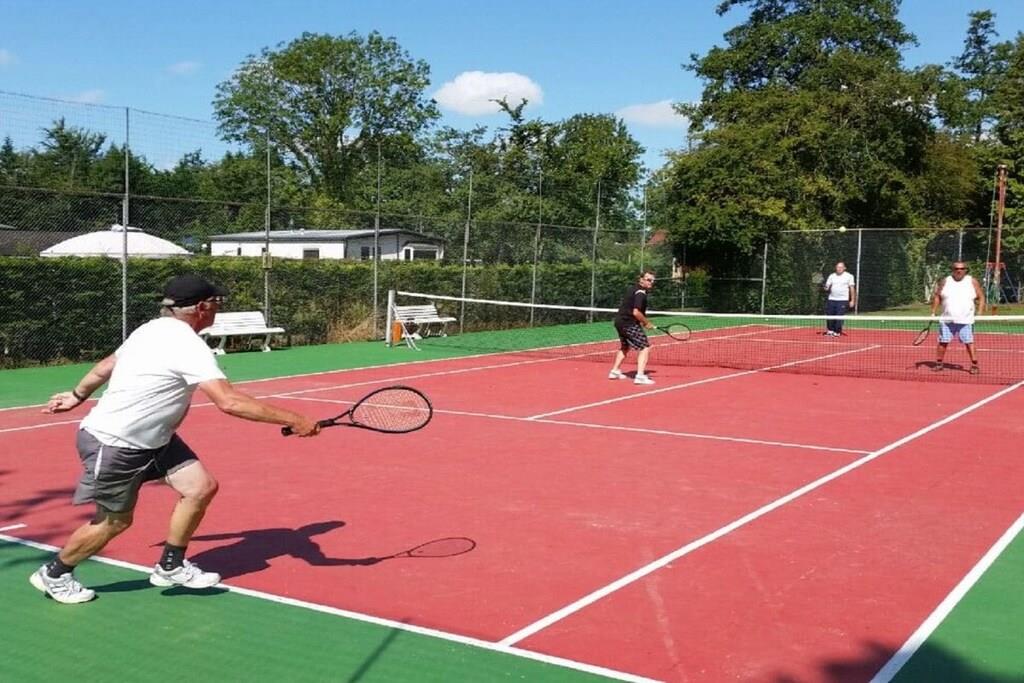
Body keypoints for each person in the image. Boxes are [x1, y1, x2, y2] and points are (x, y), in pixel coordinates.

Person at [30, 274, 321, 605]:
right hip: (116, 444)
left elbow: (106, 366)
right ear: (201, 307)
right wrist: (295, 419)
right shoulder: (188, 346)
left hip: (155, 439)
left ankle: (171, 564)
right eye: (217, 303)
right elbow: (229, 402)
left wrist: (77, 395)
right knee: (113, 522)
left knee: (200, 488)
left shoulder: (150, 329)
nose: (218, 309)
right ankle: (55, 573)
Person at [931, 261, 985, 374]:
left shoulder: (972, 281)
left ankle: (974, 365)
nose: (959, 271)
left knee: (969, 342)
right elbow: (937, 296)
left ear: (965, 270)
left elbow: (981, 297)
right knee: (943, 342)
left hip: (966, 320)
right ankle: (939, 363)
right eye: (956, 269)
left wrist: (979, 312)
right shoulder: (945, 281)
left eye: (962, 268)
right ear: (952, 270)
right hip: (947, 320)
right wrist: (933, 312)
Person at [609, 271, 656, 385]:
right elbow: (636, 312)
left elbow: (631, 310)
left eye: (653, 280)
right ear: (641, 279)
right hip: (628, 323)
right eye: (649, 280)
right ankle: (640, 376)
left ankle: (614, 371)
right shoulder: (641, 293)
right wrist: (647, 323)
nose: (651, 282)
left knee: (625, 347)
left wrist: (643, 322)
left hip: (619, 322)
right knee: (645, 347)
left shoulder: (633, 289)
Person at [823, 261, 856, 336]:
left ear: (844, 268)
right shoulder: (832, 276)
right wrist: (825, 287)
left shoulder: (849, 276)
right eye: (838, 267)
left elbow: (852, 288)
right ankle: (830, 330)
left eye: (841, 267)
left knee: (839, 316)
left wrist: (852, 300)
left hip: (843, 300)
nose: (839, 269)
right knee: (830, 316)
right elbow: (827, 287)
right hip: (831, 299)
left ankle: (837, 331)